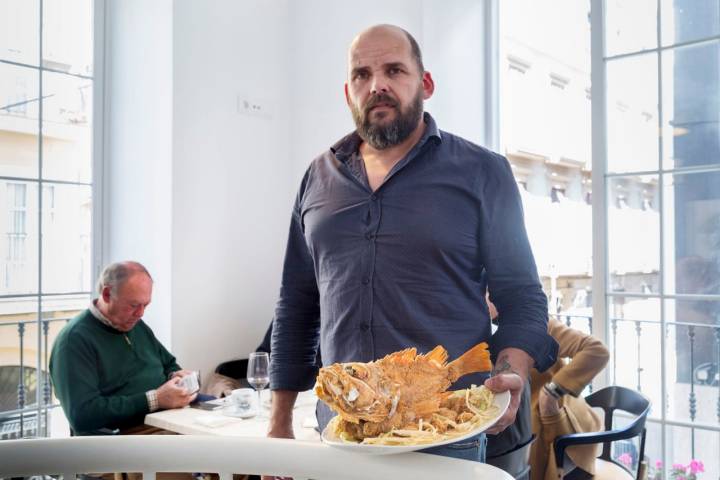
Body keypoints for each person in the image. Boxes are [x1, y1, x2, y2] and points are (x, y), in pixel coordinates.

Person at [267, 24, 558, 463]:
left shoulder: (482, 172)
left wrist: (509, 375)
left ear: (425, 84)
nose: (377, 85)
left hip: (450, 429)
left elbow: (523, 299)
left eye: (394, 70)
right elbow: (297, 304)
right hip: (344, 433)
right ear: (348, 92)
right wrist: (280, 422)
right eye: (362, 75)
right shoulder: (317, 178)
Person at [50, 261, 197, 436]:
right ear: (106, 294)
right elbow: (82, 414)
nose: (141, 313)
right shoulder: (74, 340)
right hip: (121, 439)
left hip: (165, 420)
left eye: (145, 305)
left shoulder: (134, 324)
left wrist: (177, 377)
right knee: (212, 453)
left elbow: (168, 364)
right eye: (134, 305)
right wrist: (155, 400)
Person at [528, 318, 609, 479]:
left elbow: (596, 350)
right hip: (529, 430)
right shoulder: (474, 331)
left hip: (565, 435)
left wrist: (551, 393)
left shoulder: (536, 321)